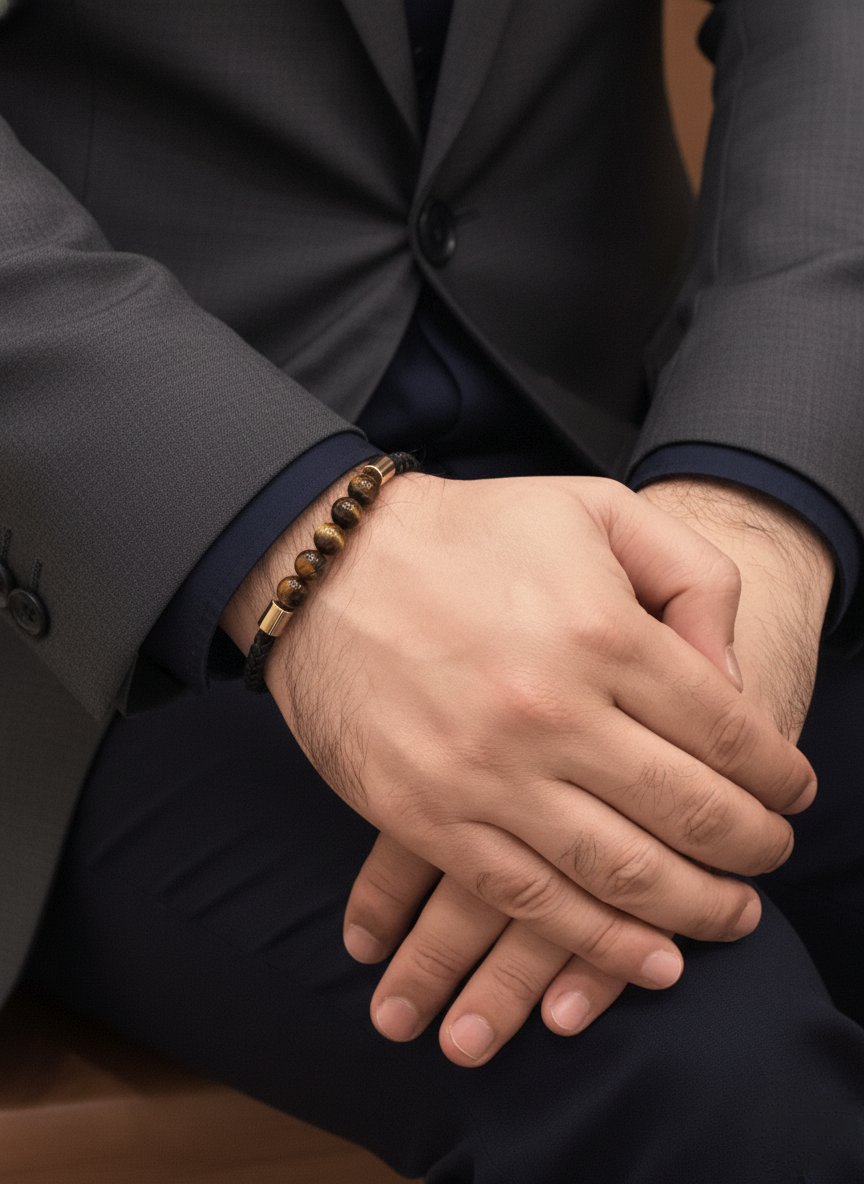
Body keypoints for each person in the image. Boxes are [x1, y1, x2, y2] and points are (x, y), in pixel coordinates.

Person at [1, 0, 863, 1179]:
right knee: (703, 1068)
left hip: (637, 467)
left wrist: (751, 507)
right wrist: (297, 539)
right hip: (85, 576)